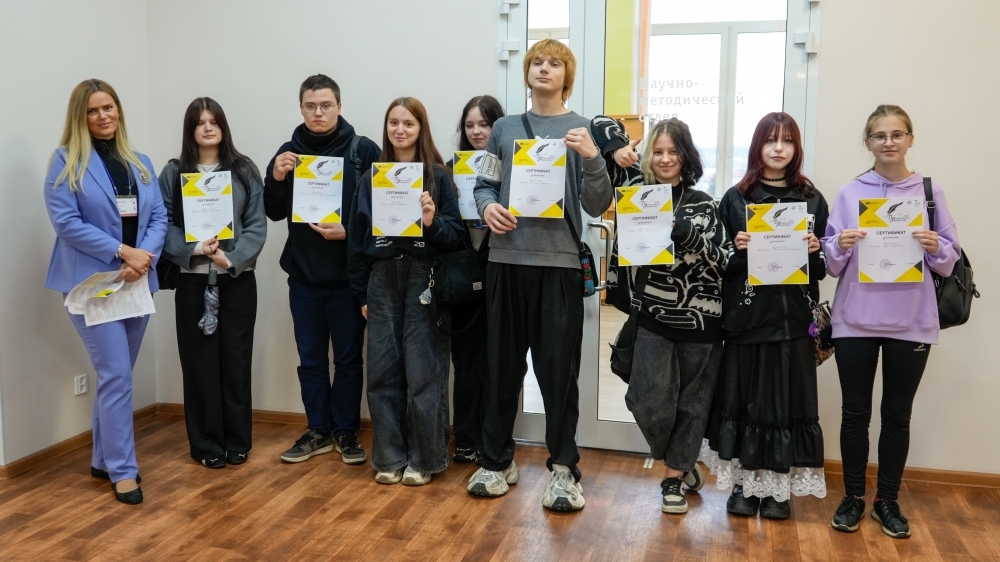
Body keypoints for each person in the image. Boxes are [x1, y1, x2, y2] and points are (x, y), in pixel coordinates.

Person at [468, 39, 614, 511]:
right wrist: (487, 207)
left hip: (559, 267)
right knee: (500, 370)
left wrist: (593, 157)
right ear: (527, 73)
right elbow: (484, 184)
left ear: (567, 75)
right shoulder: (505, 129)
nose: (543, 68)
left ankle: (564, 471)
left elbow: (597, 204)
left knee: (557, 376)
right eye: (536, 62)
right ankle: (496, 462)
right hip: (506, 263)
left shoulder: (583, 129)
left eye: (554, 63)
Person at [823, 105, 960, 539]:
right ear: (868, 142)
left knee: (897, 416)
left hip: (912, 321)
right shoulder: (850, 193)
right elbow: (830, 263)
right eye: (879, 135)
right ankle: (853, 498)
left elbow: (949, 261)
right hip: (855, 321)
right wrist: (841, 244)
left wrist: (936, 245)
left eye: (897, 134)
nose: (888, 142)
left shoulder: (930, 192)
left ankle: (887, 501)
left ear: (910, 139)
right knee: (855, 415)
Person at [595, 117, 730, 514]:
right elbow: (598, 132)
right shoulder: (636, 194)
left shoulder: (705, 203)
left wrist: (686, 234)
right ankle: (681, 460)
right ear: (648, 156)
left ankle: (673, 477)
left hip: (702, 321)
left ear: (686, 156)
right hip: (652, 315)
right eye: (658, 151)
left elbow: (726, 261)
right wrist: (616, 150)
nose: (666, 158)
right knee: (647, 401)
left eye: (674, 151)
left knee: (691, 406)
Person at [43, 79, 167, 504]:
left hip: (136, 281)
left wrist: (142, 259)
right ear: (81, 116)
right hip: (93, 285)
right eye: (93, 110)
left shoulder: (140, 162)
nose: (103, 116)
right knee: (116, 375)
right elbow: (67, 224)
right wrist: (122, 252)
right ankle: (124, 471)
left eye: (108, 107)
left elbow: (159, 217)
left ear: (118, 110)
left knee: (118, 375)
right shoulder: (65, 161)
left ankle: (102, 459)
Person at [702, 112, 829, 520]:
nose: (778, 148)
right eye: (770, 140)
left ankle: (777, 490)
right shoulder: (735, 199)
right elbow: (717, 264)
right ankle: (744, 486)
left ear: (796, 148)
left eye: (787, 141)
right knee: (745, 401)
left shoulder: (812, 198)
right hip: (747, 316)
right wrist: (736, 248)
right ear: (757, 146)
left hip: (792, 320)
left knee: (784, 405)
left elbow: (822, 269)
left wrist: (816, 250)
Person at [347, 97, 464, 485]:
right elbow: (357, 239)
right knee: (382, 372)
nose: (400, 130)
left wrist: (431, 222)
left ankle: (425, 459)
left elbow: (456, 237)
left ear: (420, 129)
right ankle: (389, 457)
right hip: (381, 279)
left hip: (424, 277)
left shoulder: (438, 177)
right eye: (394, 123)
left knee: (424, 372)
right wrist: (361, 293)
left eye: (408, 123)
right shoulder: (372, 178)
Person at [264, 74, 380, 465]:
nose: (319, 112)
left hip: (349, 279)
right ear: (301, 108)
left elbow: (386, 211)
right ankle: (318, 430)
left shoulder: (362, 150)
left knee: (348, 361)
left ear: (339, 107)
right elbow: (272, 211)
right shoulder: (287, 153)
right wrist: (276, 177)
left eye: (326, 105)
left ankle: (346, 431)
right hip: (304, 279)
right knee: (310, 360)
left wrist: (349, 232)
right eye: (311, 106)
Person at [159, 97, 267, 468]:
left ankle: (237, 441)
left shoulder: (244, 169)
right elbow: (162, 224)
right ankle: (206, 446)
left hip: (236, 281)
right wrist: (194, 248)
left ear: (223, 127)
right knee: (199, 366)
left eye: (214, 121)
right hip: (193, 283)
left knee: (235, 362)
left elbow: (256, 224)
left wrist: (231, 259)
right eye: (200, 122)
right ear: (190, 129)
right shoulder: (174, 172)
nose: (207, 128)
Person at [446, 95, 505, 463]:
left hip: (501, 270)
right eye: (469, 125)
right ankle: (465, 438)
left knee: (496, 361)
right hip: (461, 275)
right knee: (466, 361)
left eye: (484, 124)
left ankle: (492, 439)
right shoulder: (450, 169)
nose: (477, 131)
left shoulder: (513, 167)